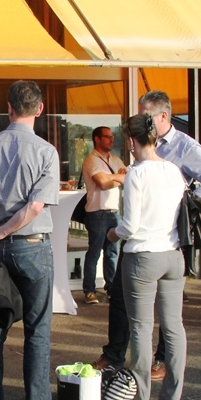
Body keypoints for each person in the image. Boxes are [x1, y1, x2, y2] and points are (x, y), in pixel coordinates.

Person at [93, 91, 201, 380]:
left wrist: (185, 207)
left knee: (167, 313)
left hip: (169, 236)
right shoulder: (145, 146)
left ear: (163, 116)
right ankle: (115, 354)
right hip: (142, 237)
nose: (142, 121)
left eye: (146, 116)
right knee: (122, 298)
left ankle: (159, 363)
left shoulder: (186, 147)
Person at [0, 80, 72, 400]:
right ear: (39, 109)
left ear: (8, 108)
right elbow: (35, 206)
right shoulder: (46, 151)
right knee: (37, 330)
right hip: (31, 246)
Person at [106, 113, 187, 400]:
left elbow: (130, 225)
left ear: (130, 141)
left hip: (142, 256)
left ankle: (140, 397)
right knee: (173, 327)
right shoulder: (173, 171)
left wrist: (113, 234)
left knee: (141, 328)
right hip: (173, 254)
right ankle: (171, 396)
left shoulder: (136, 175)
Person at [80, 126, 126, 304]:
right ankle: (89, 290)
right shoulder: (92, 160)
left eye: (112, 136)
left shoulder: (115, 159)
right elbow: (102, 183)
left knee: (113, 253)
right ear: (97, 139)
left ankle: (111, 287)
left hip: (114, 212)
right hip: (97, 212)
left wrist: (112, 178)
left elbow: (122, 179)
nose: (111, 140)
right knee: (94, 252)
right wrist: (118, 177)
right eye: (107, 137)